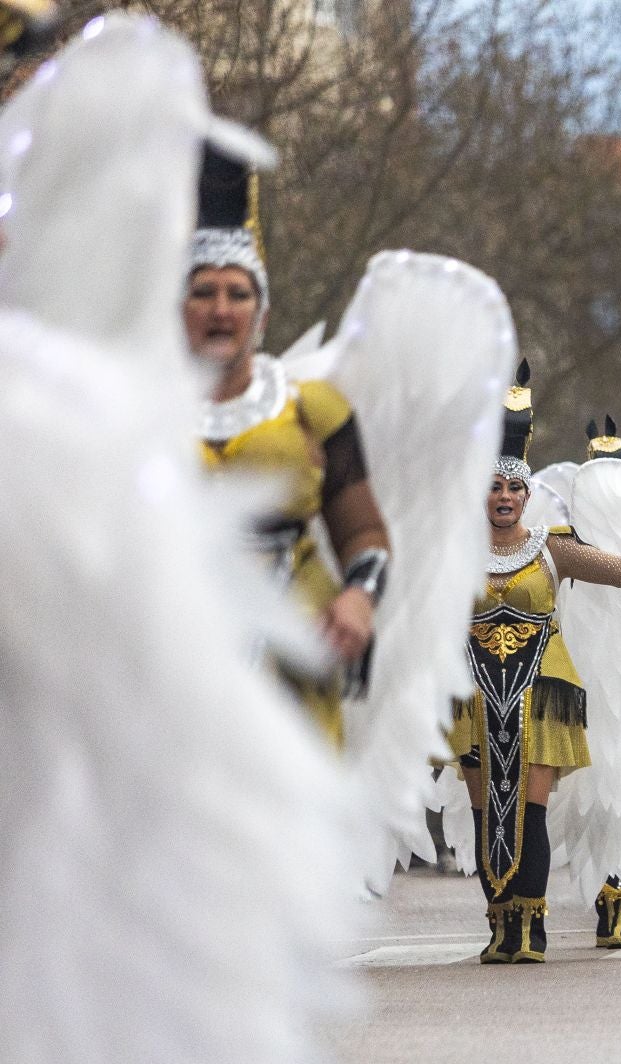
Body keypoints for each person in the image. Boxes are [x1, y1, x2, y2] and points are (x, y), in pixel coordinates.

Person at [453, 365, 621, 963]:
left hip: (541, 697)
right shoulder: (455, 554)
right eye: (492, 487)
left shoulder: (551, 549)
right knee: (482, 818)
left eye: (512, 489)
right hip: (473, 699)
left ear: (525, 497)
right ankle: (500, 925)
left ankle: (530, 927)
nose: (502, 497)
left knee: (529, 809)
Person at [188, 147, 392, 745]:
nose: (222, 309)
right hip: (169, 656)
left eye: (238, 293)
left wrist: (359, 596)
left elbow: (363, 533)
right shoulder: (136, 406)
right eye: (204, 292)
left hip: (292, 660)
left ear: (262, 312)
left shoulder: (311, 405)